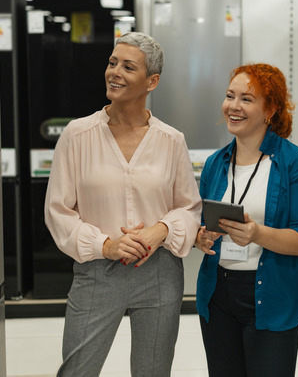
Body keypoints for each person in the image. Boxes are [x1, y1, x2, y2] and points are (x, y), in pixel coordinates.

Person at [44, 32, 202, 377]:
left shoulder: (171, 140)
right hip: (97, 273)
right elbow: (58, 210)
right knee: (77, 371)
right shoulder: (77, 134)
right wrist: (107, 244)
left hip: (159, 273)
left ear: (152, 81)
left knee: (153, 372)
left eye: (128, 67)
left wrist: (160, 231)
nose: (114, 72)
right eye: (112, 62)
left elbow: (189, 207)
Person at [194, 63, 298, 377]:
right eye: (230, 96)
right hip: (217, 294)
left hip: (272, 294)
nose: (234, 107)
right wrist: (201, 238)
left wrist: (257, 233)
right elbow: (203, 222)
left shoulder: (295, 163)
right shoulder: (215, 163)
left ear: (270, 109)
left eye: (247, 99)